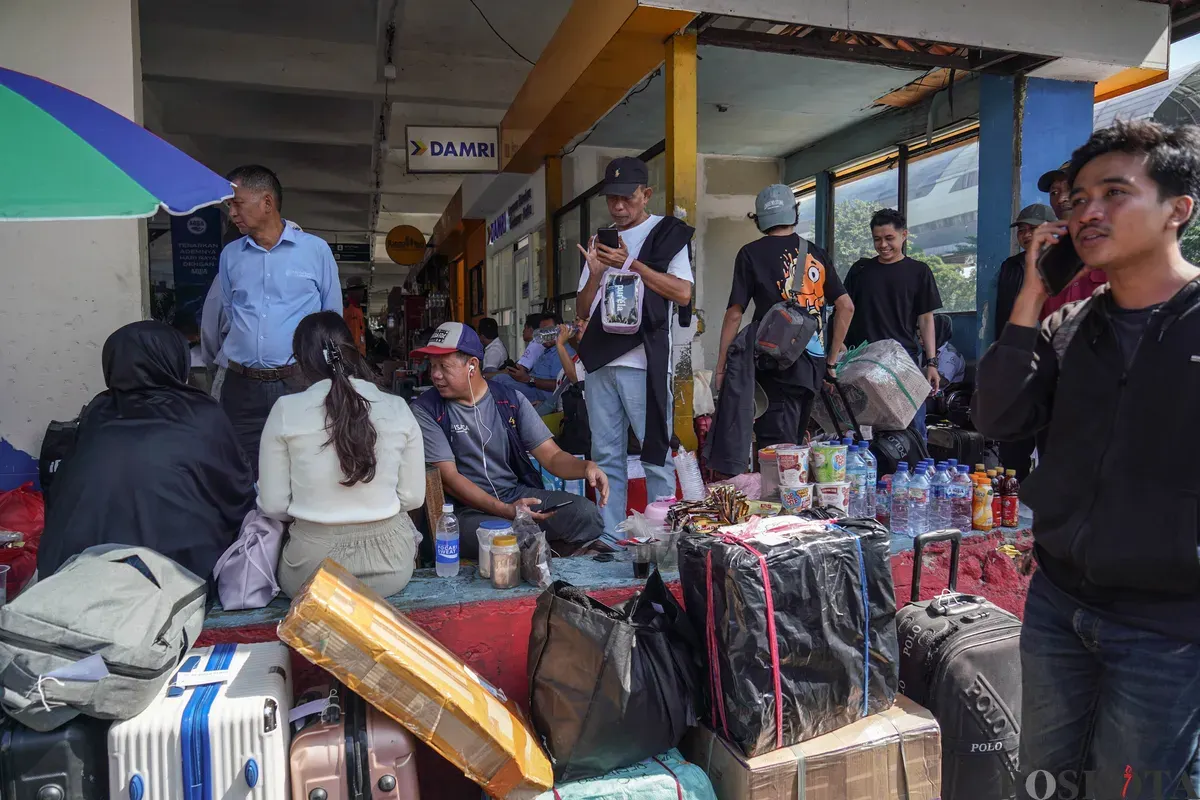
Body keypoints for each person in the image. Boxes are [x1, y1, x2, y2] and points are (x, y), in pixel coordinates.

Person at [973, 121, 1200, 800]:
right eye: (1077, 201)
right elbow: (999, 417)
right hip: (1059, 606)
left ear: (1178, 209)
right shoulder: (1070, 329)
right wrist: (1032, 296)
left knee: (1130, 788)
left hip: (1168, 628)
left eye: (1114, 192)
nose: (1086, 212)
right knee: (1044, 781)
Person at [38, 321, 255, 582]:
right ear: (173, 360)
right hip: (169, 577)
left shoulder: (97, 412)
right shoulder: (200, 413)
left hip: (70, 572)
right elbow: (237, 492)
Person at [257, 312, 424, 598]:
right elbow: (413, 498)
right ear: (352, 351)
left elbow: (272, 505)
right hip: (391, 567)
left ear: (300, 361)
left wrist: (314, 508)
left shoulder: (286, 410)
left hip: (311, 572)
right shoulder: (397, 407)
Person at [409, 322, 609, 556]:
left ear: (472, 366)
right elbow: (450, 478)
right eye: (432, 366)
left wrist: (586, 468)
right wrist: (506, 510)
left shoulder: (509, 400)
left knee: (585, 514)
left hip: (515, 496)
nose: (435, 375)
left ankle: (546, 552)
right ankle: (546, 550)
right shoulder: (426, 410)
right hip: (464, 511)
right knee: (503, 538)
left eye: (443, 366)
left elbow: (552, 456)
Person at [575, 157, 694, 542]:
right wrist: (595, 274)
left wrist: (630, 264)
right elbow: (581, 309)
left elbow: (682, 291)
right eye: (612, 199)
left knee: (654, 449)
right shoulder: (601, 240)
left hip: (644, 359)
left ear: (646, 194)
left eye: (627, 198)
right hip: (600, 359)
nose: (619, 207)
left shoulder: (667, 234)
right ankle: (610, 536)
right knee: (606, 454)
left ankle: (663, 535)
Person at [707, 184, 854, 475]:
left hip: (774, 366)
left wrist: (722, 365)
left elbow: (735, 314)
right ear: (794, 213)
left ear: (759, 219)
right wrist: (831, 361)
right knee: (795, 445)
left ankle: (780, 515)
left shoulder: (750, 254)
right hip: (811, 367)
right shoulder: (816, 253)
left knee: (778, 455)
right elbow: (846, 306)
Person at [218, 165, 342, 472]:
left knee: (304, 465)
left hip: (299, 381)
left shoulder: (315, 251)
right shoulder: (231, 255)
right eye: (228, 205)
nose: (231, 212)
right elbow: (230, 312)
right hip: (241, 385)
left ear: (267, 203)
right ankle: (251, 523)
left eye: (237, 203)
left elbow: (332, 320)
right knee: (242, 469)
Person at [843, 208, 942, 438]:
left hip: (903, 364)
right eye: (877, 239)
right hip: (862, 363)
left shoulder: (919, 272)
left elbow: (926, 319)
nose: (883, 245)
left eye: (890, 238)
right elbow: (844, 311)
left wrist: (931, 362)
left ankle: (916, 472)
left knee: (913, 430)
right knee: (863, 433)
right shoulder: (860, 270)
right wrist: (839, 347)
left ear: (904, 235)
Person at [993, 203, 1054, 481]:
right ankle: (1011, 508)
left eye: (1034, 229)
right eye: (1023, 230)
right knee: (1013, 444)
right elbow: (1003, 319)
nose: (1027, 235)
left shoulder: (1068, 264)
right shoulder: (1011, 267)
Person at [1039, 161, 1108, 319]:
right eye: (1054, 193)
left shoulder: (1120, 249)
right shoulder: (1048, 261)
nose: (1061, 198)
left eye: (1070, 189)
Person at [498, 313, 564, 403]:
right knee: (499, 379)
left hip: (541, 394)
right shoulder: (547, 350)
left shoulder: (562, 352)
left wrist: (529, 379)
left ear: (559, 330)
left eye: (549, 330)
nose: (544, 335)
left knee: (501, 385)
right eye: (541, 331)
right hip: (531, 385)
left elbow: (558, 385)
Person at [535, 319, 588, 416]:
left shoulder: (593, 357)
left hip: (575, 416)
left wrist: (559, 344)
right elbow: (560, 389)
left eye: (584, 320)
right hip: (561, 412)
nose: (579, 324)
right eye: (576, 319)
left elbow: (576, 379)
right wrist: (547, 404)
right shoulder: (576, 357)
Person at [343, 278, 368, 356]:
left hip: (359, 353)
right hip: (352, 354)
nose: (362, 293)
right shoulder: (347, 309)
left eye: (363, 290)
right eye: (360, 290)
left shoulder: (358, 309)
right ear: (351, 292)